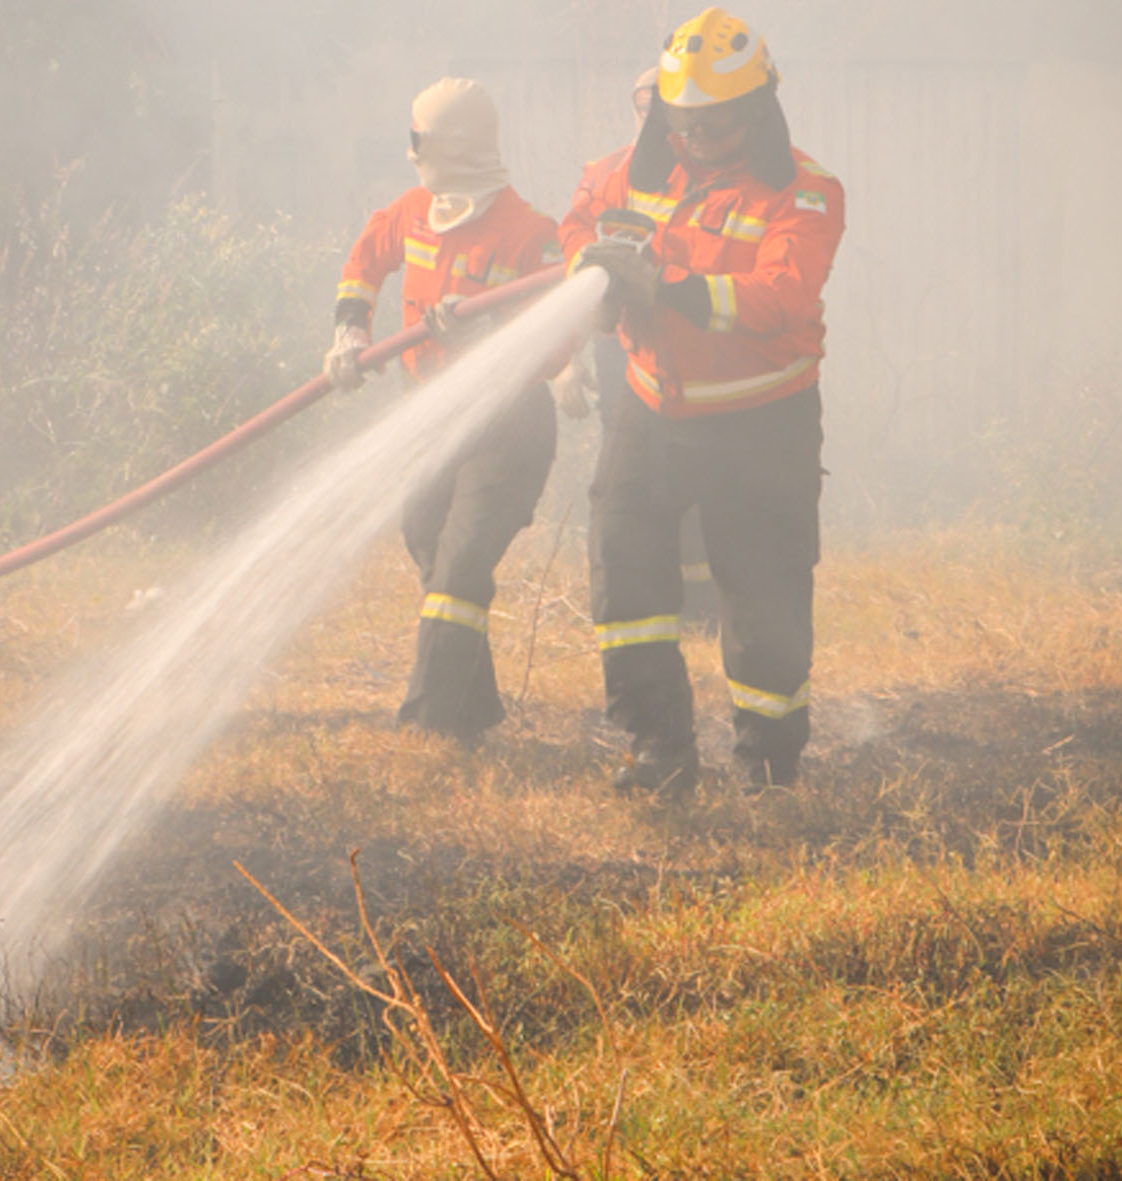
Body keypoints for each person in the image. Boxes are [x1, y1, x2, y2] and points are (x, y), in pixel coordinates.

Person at [561, 7, 845, 799]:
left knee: (762, 594)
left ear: (759, 109)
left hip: (760, 423)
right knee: (623, 566)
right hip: (650, 405)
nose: (694, 138)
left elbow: (781, 295)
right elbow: (580, 216)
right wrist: (587, 273)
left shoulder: (805, 194)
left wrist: (667, 285)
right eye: (679, 121)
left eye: (715, 123)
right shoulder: (633, 169)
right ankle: (658, 748)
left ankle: (767, 767)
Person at [322, 78, 561, 743]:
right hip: (428, 415)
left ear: (448, 146)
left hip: (504, 426)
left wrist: (488, 332)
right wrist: (351, 329)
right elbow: (364, 263)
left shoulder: (530, 233)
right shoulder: (414, 211)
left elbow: (555, 340)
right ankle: (471, 712)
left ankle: (429, 725)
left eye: (417, 140)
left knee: (458, 569)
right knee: (426, 537)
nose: (410, 153)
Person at [556, 67, 720, 627]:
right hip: (621, 346)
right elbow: (575, 252)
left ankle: (701, 604)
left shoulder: (709, 177)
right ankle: (647, 592)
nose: (653, 115)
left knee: (693, 473)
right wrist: (568, 356)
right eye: (644, 104)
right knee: (630, 474)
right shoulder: (607, 174)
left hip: (691, 345)